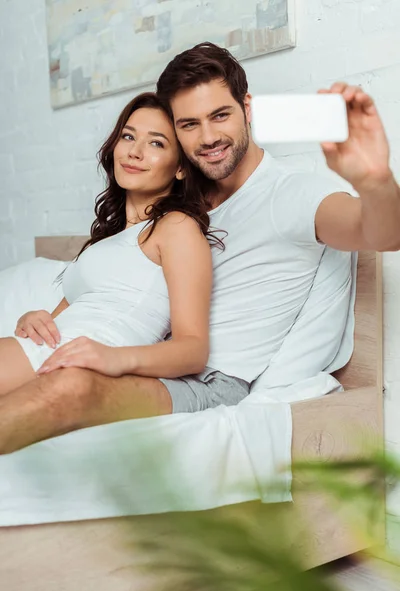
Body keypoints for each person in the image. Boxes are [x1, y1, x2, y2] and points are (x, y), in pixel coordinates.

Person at [0, 42, 399, 455]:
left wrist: (373, 180)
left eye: (220, 115)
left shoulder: (290, 196)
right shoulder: (171, 203)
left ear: (247, 108)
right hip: (147, 357)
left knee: (71, 386)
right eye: (189, 124)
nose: (208, 138)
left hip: (209, 382)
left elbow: (382, 234)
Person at [0, 92, 214, 402]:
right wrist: (34, 318)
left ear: (180, 167)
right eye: (128, 136)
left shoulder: (176, 227)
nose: (135, 152)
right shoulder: (108, 240)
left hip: (82, 361)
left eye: (156, 143)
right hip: (51, 350)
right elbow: (66, 314)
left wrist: (114, 359)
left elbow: (193, 349)